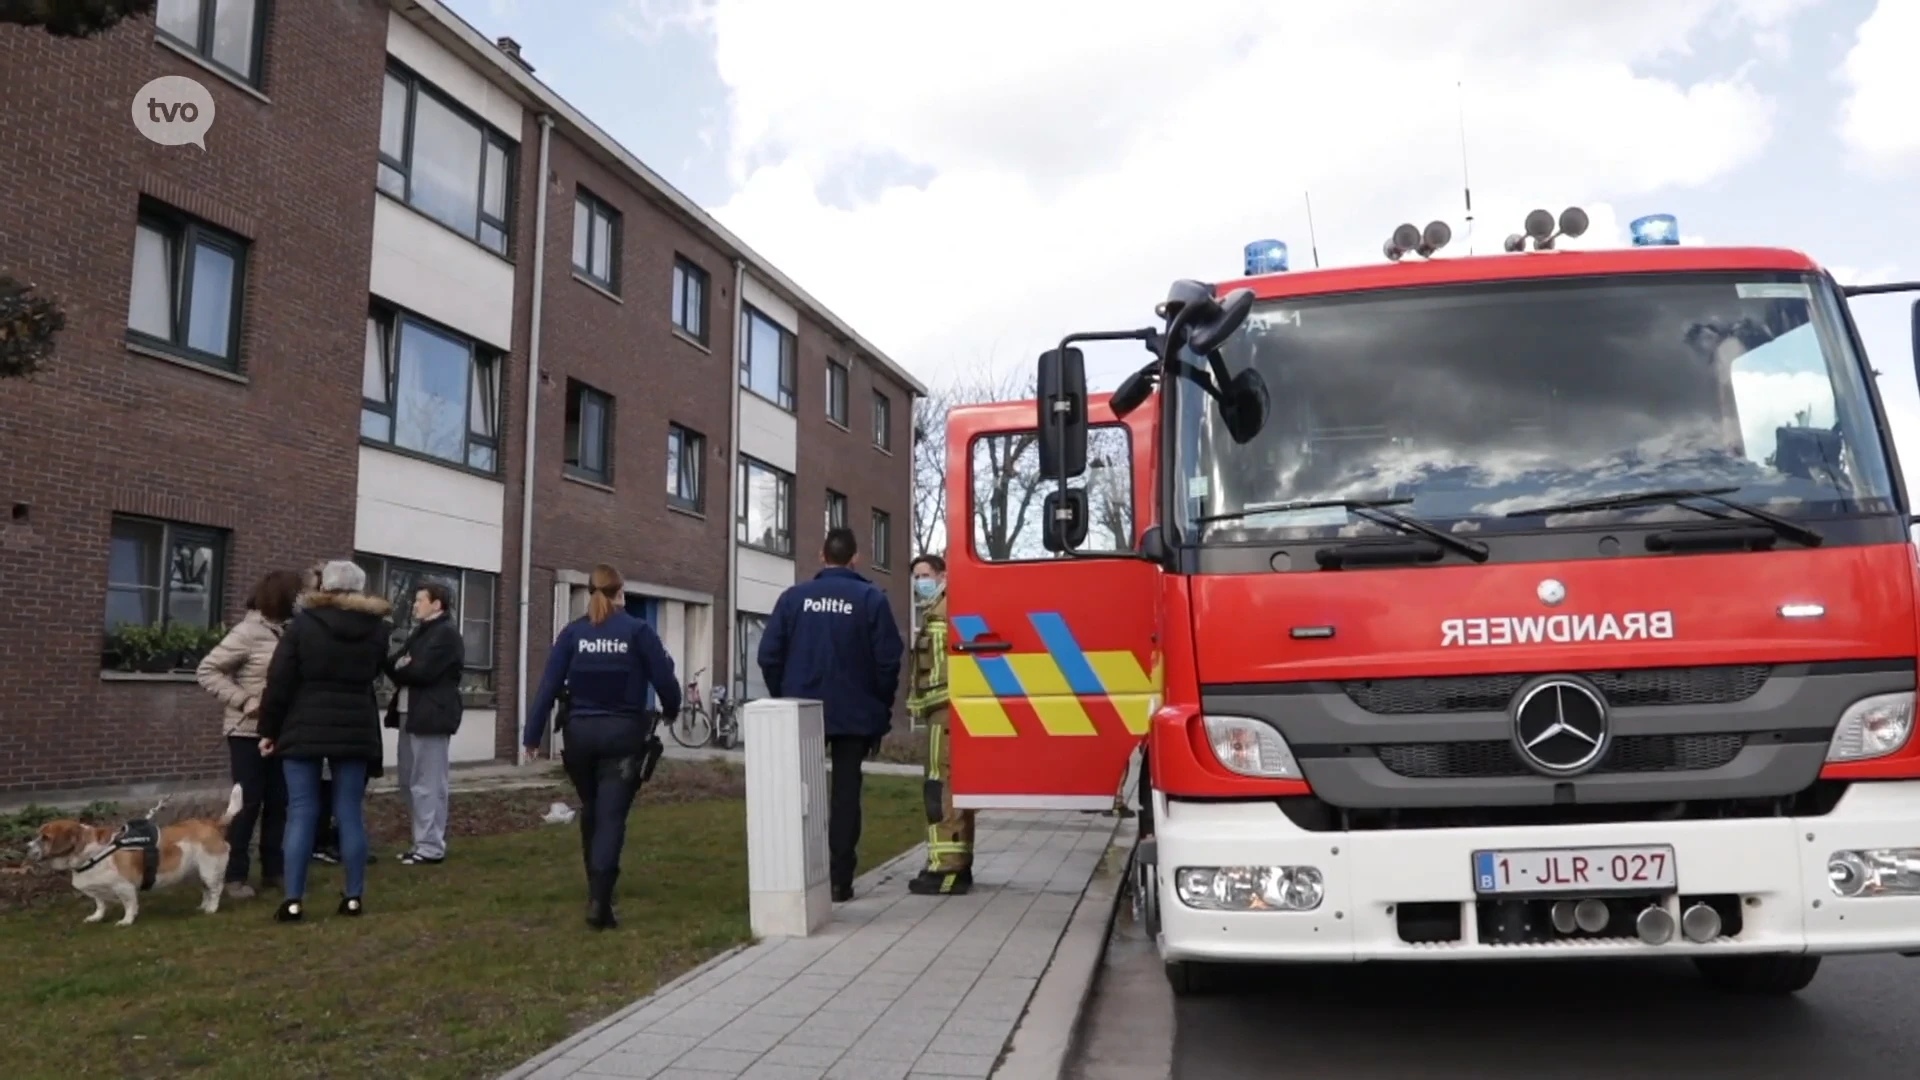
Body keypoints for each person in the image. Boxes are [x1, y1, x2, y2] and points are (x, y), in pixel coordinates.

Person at [523, 564, 680, 930]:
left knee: (592, 808)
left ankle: (597, 889)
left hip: (578, 737)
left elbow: (547, 686)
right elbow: (665, 681)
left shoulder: (574, 633)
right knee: (610, 816)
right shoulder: (638, 631)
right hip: (623, 737)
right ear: (620, 592)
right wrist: (671, 711)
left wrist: (532, 736)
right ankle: (599, 901)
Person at [758, 527, 904, 903]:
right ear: (855, 558)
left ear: (822, 556)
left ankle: (794, 873)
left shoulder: (794, 599)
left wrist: (784, 697)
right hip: (854, 713)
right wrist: (879, 705)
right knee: (845, 794)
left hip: (800, 708)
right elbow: (888, 660)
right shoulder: (871, 598)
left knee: (798, 791)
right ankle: (840, 878)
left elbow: (769, 655)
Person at [259, 560, 392, 922]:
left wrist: (268, 730)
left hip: (305, 724)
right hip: (356, 726)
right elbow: (377, 672)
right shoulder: (377, 630)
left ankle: (293, 900)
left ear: (326, 586)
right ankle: (353, 896)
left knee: (301, 811)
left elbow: (279, 681)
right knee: (349, 811)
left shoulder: (303, 625)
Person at [195, 568, 304, 899]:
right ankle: (234, 875)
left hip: (284, 731)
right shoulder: (247, 632)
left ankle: (274, 870)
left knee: (280, 802)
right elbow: (207, 670)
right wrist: (244, 700)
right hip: (246, 733)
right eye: (297, 593)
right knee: (247, 804)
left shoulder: (292, 631)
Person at [905, 554, 974, 897]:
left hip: (944, 712)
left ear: (943, 575)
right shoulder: (937, 610)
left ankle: (946, 868)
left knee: (940, 787)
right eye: (916, 577)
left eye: (926, 575)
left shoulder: (945, 612)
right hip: (940, 712)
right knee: (951, 786)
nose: (920, 582)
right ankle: (955, 862)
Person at [386, 581, 464, 866]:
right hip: (410, 713)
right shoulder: (420, 633)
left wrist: (406, 665)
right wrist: (404, 664)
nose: (415, 604)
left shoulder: (446, 635)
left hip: (431, 716)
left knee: (428, 781)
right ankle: (420, 841)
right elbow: (393, 664)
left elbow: (420, 671)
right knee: (408, 780)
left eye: (420, 600)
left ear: (437, 604)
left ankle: (431, 847)